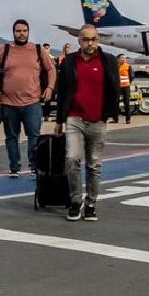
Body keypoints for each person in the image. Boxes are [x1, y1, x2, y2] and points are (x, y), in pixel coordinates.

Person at [53, 25, 119, 221]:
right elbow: (63, 91)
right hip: (75, 118)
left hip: (98, 119)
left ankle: (91, 203)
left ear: (97, 40)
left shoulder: (108, 61)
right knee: (72, 159)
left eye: (93, 39)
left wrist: (109, 113)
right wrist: (59, 120)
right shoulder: (69, 61)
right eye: (85, 39)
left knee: (94, 165)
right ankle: (75, 200)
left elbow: (114, 87)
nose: (90, 43)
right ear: (79, 40)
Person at [0, 19, 56, 178]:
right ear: (13, 33)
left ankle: (34, 166)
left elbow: (51, 69)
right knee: (12, 137)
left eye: (24, 31)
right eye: (18, 31)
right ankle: (14, 167)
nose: (22, 34)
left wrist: (50, 88)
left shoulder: (38, 50)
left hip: (32, 101)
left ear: (28, 32)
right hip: (8, 102)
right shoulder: (3, 50)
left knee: (34, 136)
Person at [109, 53, 132, 124]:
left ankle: (128, 119)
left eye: (124, 58)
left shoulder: (128, 66)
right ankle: (115, 118)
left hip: (126, 86)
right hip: (117, 87)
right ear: (118, 59)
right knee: (115, 102)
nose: (123, 59)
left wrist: (128, 83)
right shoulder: (115, 66)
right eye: (122, 58)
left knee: (127, 102)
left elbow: (131, 76)